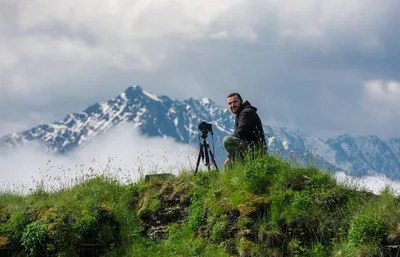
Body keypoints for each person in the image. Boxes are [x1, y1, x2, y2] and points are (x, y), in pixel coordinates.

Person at [223, 93, 267, 168]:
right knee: (228, 165)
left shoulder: (247, 112)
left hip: (256, 149)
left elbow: (239, 134)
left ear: (241, 101)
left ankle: (242, 169)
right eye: (230, 103)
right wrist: (230, 157)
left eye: (235, 102)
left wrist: (230, 156)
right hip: (248, 147)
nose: (232, 105)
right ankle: (237, 177)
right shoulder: (239, 114)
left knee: (227, 140)